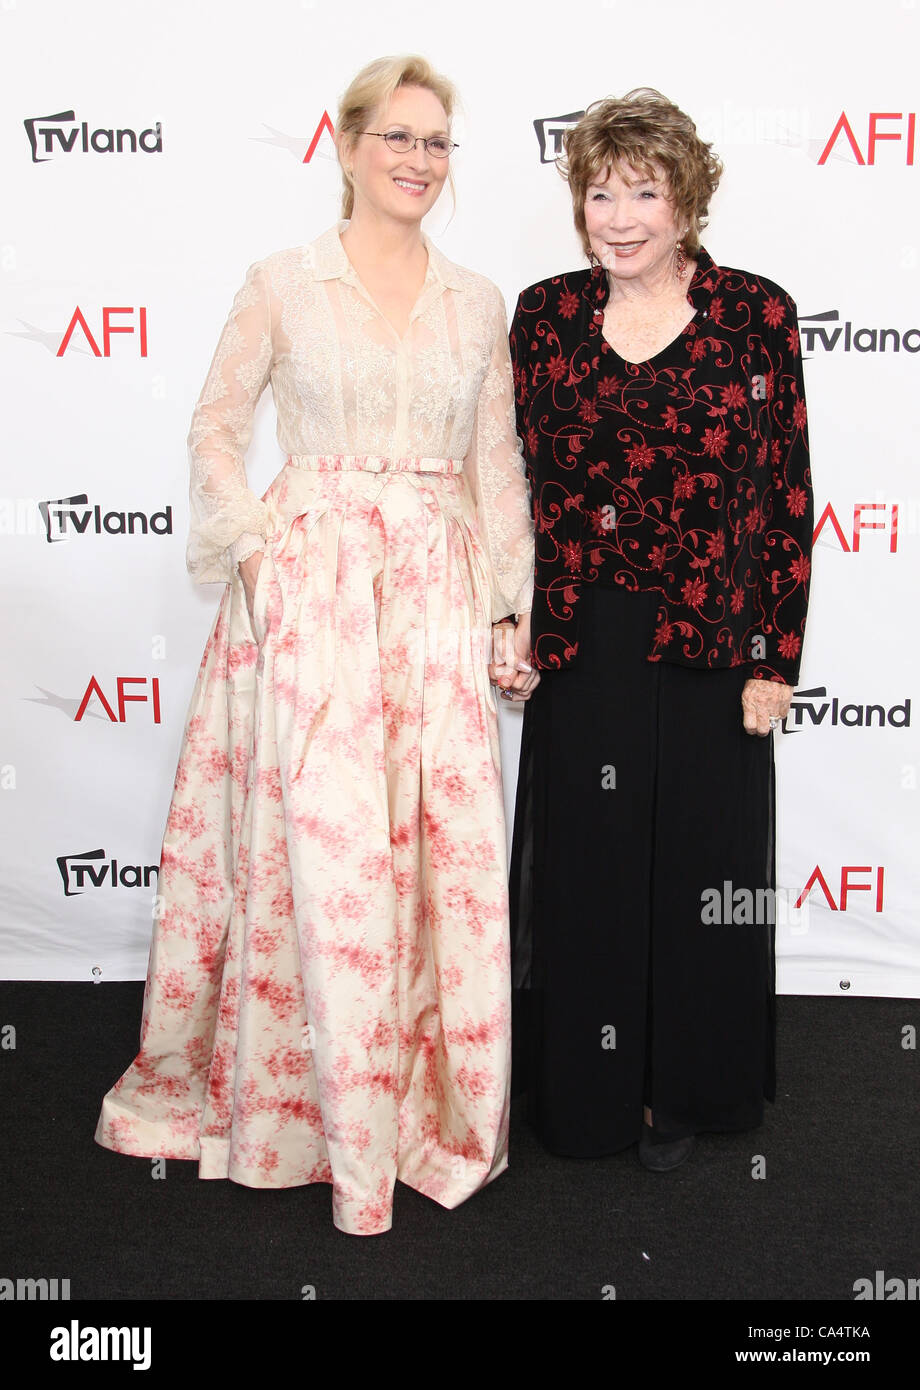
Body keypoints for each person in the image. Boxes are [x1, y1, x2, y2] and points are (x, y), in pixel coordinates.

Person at [95, 55, 537, 1235]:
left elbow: (494, 467)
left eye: (436, 142)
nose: (416, 160)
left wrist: (506, 612)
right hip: (308, 604)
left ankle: (411, 1117)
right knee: (325, 859)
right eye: (395, 137)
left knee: (429, 858)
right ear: (343, 147)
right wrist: (253, 553)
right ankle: (304, 1119)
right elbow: (214, 425)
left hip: (434, 605)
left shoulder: (477, 299)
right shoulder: (282, 283)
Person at [506, 88, 813, 1171]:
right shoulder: (542, 315)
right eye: (600, 190)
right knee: (588, 868)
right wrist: (513, 618)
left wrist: (774, 656)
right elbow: (508, 488)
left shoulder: (754, 315)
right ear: (576, 200)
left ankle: (682, 1088)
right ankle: (588, 1095)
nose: (620, 213)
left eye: (645, 190)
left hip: (711, 644)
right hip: (583, 638)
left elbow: (783, 493)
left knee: (698, 873)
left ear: (687, 203)